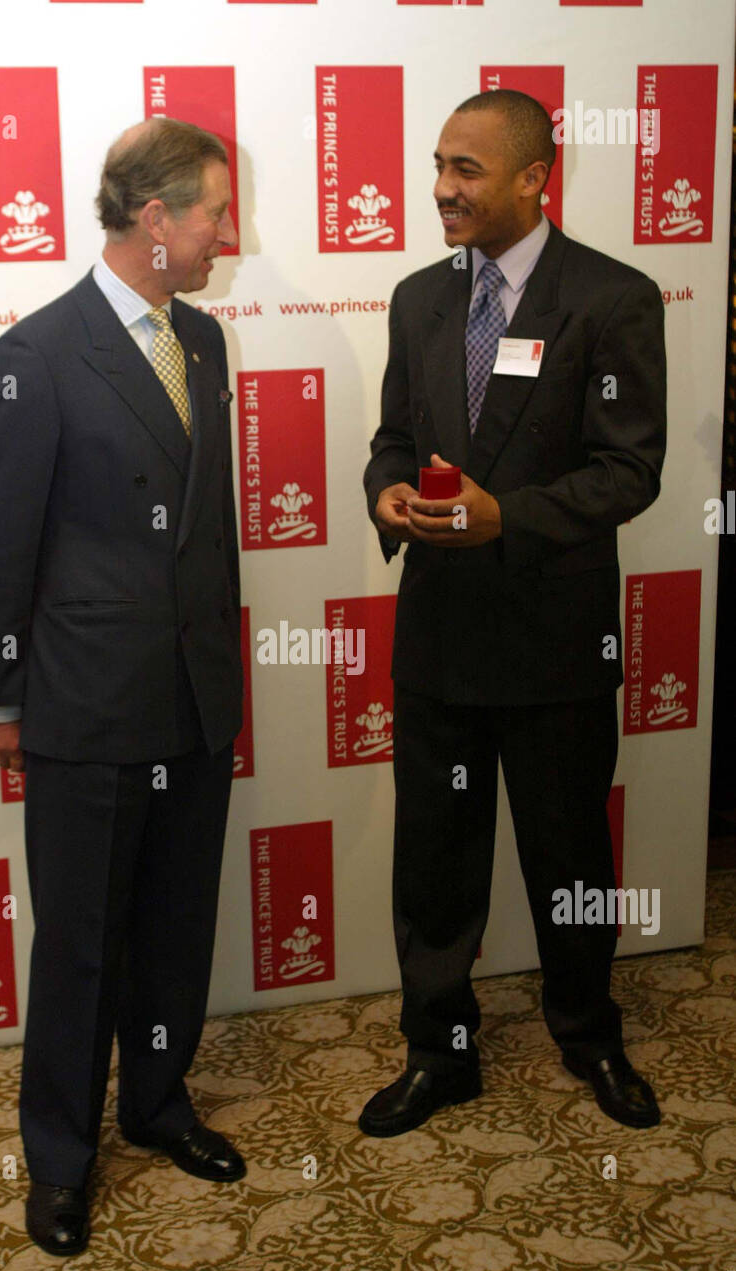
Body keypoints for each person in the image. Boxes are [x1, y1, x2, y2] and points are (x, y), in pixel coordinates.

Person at [0, 117, 246, 1256]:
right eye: (216, 211)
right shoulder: (37, 354)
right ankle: (63, 1160)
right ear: (155, 219)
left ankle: (161, 1104)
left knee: (176, 927)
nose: (230, 231)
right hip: (84, 704)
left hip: (192, 698)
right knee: (82, 943)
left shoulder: (207, 340)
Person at [361, 89, 666, 1139]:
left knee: (570, 857)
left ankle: (588, 1033)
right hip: (439, 638)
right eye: (438, 164)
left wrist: (508, 519)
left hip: (554, 641)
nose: (441, 188)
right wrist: (385, 495)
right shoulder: (416, 298)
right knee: (433, 859)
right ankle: (437, 1051)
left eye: (467, 170)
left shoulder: (612, 296)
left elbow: (629, 472)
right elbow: (392, 437)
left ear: (535, 177)